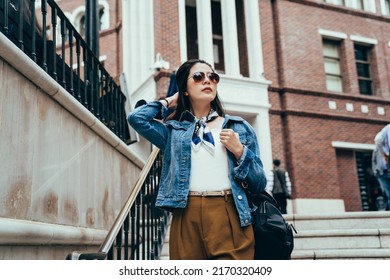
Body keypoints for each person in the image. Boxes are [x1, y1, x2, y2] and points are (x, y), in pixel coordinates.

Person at [128, 59, 267, 260]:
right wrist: (170, 100)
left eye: (213, 77)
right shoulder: (173, 132)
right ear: (185, 87)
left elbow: (259, 182)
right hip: (186, 214)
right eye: (198, 77)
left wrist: (240, 152)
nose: (207, 81)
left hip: (229, 212)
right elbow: (136, 118)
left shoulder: (239, 128)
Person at [372, 124, 390, 210]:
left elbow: (378, 140)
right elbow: (374, 161)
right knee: (388, 193)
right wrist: (376, 172)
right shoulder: (377, 149)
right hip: (382, 173)